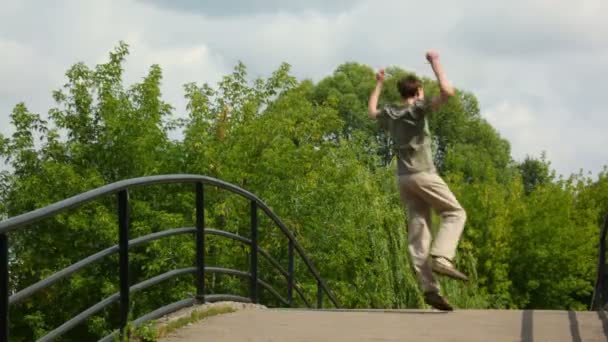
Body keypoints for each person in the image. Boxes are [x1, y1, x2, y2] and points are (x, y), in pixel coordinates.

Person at [368, 50, 468, 311]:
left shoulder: (391, 112)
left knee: (419, 231)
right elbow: (448, 92)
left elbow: (371, 111)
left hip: (403, 179)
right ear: (418, 92)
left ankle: (428, 287)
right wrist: (436, 63)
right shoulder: (417, 110)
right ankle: (443, 258)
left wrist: (378, 83)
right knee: (455, 213)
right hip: (424, 175)